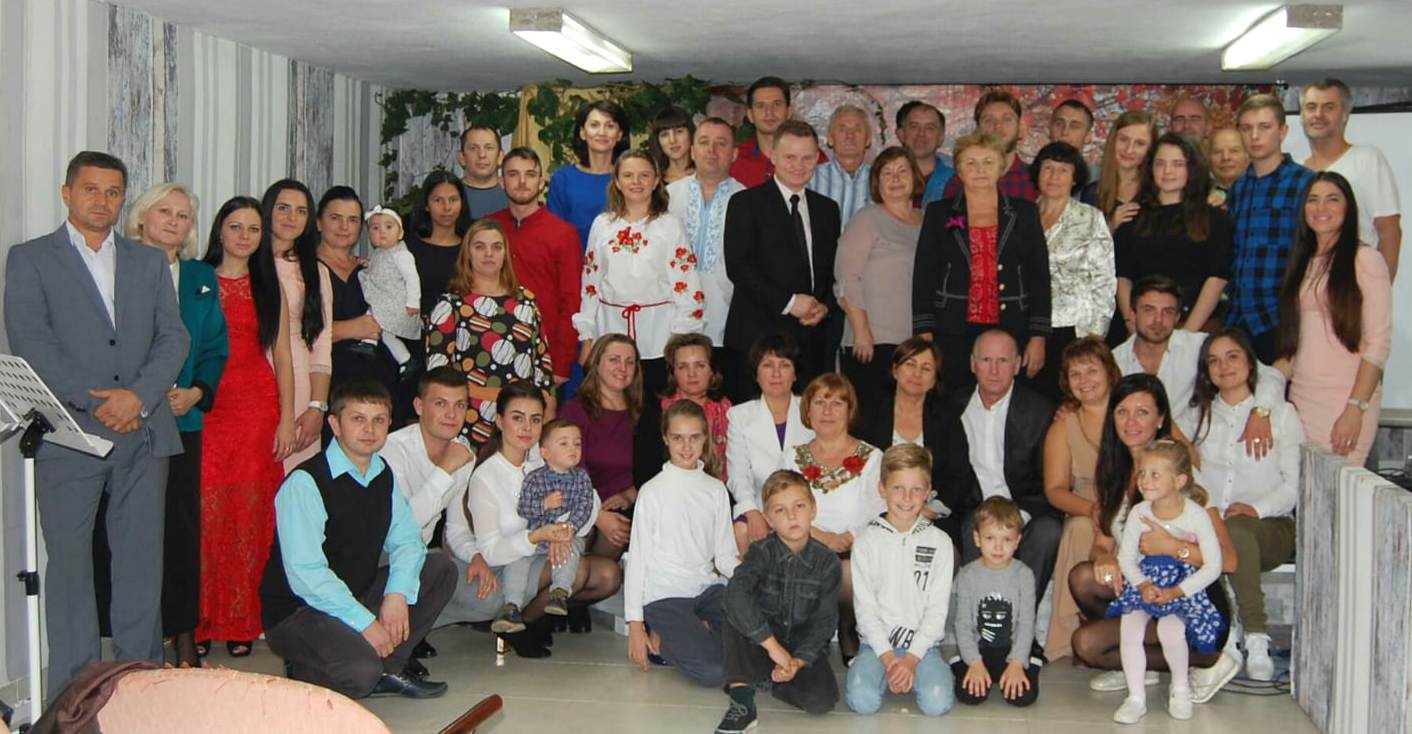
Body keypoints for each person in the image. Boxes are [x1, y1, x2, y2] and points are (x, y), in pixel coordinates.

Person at [260, 378, 455, 700]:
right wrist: (365, 623)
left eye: (379, 420)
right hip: (298, 611)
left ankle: (388, 668)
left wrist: (396, 594)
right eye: (358, 419)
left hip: (352, 594)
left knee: (439, 570)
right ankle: (308, 667)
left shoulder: (381, 473)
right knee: (359, 674)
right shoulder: (306, 483)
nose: (369, 429)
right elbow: (306, 574)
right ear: (335, 425)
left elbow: (407, 540)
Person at [1069, 375, 1240, 705]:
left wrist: (1172, 548)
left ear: (1161, 419)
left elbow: (1229, 559)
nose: (1131, 422)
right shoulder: (1114, 473)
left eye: (1143, 412)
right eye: (1122, 412)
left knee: (1088, 645)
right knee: (1083, 577)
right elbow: (1102, 542)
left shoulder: (1181, 477)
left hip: (1192, 600)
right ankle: (1141, 662)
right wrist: (1103, 557)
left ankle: (1209, 660)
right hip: (1147, 592)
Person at [125, 183, 228, 669]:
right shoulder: (119, 269)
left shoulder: (201, 276)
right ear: (142, 218)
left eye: (183, 215)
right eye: (164, 211)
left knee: (181, 531)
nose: (173, 221)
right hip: (128, 421)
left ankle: (183, 633)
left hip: (183, 421)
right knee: (131, 533)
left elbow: (214, 348)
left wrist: (197, 392)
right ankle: (135, 640)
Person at [198, 195, 297, 658]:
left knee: (250, 516)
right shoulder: (196, 280)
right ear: (220, 229)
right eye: (236, 226)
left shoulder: (267, 285)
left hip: (257, 410)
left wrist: (286, 417)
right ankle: (198, 622)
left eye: (253, 229)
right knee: (205, 514)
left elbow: (283, 357)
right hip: (206, 407)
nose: (244, 236)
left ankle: (243, 620)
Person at [454, 382, 620, 657]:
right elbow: (491, 552)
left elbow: (588, 501)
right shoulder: (486, 476)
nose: (527, 428)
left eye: (535, 419)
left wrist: (564, 531)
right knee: (577, 571)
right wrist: (537, 536)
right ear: (500, 421)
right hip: (504, 567)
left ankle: (533, 619)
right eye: (517, 418)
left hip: (542, 554)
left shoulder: (543, 459)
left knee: (608, 576)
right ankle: (512, 622)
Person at [1191, 329, 1303, 681]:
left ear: (1251, 363)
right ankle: (1222, 635)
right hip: (1214, 526)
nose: (1223, 366)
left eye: (1232, 356)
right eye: (1214, 360)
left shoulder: (1282, 414)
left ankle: (1255, 636)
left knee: (1236, 531)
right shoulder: (1197, 417)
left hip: (1271, 526)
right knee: (1218, 532)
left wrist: (1257, 509)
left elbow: (1294, 486)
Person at [913, 132, 1051, 393]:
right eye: (971, 163)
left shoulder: (1024, 213)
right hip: (952, 329)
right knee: (953, 400)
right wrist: (924, 332)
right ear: (958, 170)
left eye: (988, 162)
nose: (980, 170)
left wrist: (1038, 336)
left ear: (1001, 167)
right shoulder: (938, 213)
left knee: (1011, 400)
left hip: (1012, 326)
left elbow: (1039, 278)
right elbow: (924, 275)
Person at [936, 330, 1060, 612]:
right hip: (974, 508)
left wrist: (1019, 517)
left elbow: (1048, 481)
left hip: (1027, 508)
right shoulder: (951, 407)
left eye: (1003, 361)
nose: (994, 370)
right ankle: (981, 622)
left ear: (1017, 365)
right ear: (973, 364)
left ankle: (1021, 620)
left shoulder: (1041, 411)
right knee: (974, 529)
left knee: (1048, 533)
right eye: (986, 360)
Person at [1275, 171, 1391, 466]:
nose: (1321, 208)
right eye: (1312, 200)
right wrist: (1262, 389)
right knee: (1304, 487)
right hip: (1301, 400)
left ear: (1348, 207)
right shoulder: (1301, 262)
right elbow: (1295, 346)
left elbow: (1378, 345)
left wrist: (1355, 408)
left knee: (1338, 487)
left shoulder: (1365, 259)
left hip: (1346, 401)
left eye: (1332, 199)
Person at [713, 470, 842, 733]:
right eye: (780, 510)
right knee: (734, 602)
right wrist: (772, 647)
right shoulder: (761, 552)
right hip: (761, 641)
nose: (792, 516)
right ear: (769, 519)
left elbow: (824, 623)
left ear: (813, 509)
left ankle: (775, 679)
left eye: (799, 506)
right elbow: (736, 594)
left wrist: (798, 661)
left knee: (821, 701)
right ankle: (742, 700)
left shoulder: (828, 563)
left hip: (799, 646)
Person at [1107, 440, 1225, 724]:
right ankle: (1135, 697)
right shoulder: (1139, 513)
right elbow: (1126, 558)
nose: (1145, 480)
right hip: (1148, 581)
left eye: (1155, 474)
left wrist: (1177, 591)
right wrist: (1142, 585)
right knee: (1130, 627)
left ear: (1179, 480)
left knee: (1171, 630)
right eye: (1142, 473)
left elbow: (1214, 565)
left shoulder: (1196, 515)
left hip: (1184, 587)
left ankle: (1181, 690)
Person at [624, 400, 740, 687]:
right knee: (715, 673)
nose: (686, 447)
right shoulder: (652, 491)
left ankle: (694, 630)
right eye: (678, 438)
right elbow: (638, 559)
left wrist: (750, 579)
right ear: (666, 439)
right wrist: (635, 624)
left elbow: (725, 555)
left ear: (705, 438)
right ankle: (665, 639)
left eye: (694, 437)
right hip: (666, 595)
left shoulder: (716, 490)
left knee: (751, 649)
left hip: (707, 590)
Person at [379, 367, 500, 641]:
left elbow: (456, 528)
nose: (451, 414)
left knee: (490, 600)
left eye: (460, 405)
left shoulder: (461, 452)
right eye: (441, 404)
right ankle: (390, 632)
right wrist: (444, 470)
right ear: (419, 406)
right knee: (433, 566)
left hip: (420, 557)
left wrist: (474, 556)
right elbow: (401, 526)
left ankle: (409, 630)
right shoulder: (392, 449)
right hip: (383, 555)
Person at [723, 119, 841, 394]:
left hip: (811, 342)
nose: (799, 165)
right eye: (790, 157)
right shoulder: (745, 203)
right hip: (758, 338)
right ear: (773, 156)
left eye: (807, 158)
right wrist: (790, 302)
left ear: (817, 159)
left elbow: (832, 272)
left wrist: (824, 306)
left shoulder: (828, 209)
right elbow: (739, 267)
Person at [777, 373, 884, 662]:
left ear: (850, 411)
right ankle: (812, 636)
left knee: (847, 572)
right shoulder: (792, 457)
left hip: (855, 546)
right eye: (820, 402)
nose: (827, 411)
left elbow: (877, 510)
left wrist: (848, 538)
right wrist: (821, 536)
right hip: (804, 541)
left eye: (837, 403)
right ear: (807, 411)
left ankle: (847, 627)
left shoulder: (873, 457)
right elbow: (781, 505)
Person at [845, 444, 957, 717]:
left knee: (937, 703)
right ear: (882, 489)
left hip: (924, 648)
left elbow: (937, 610)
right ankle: (879, 670)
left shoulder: (940, 543)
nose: (907, 498)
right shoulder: (866, 542)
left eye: (916, 489)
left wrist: (910, 659)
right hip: (876, 646)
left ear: (928, 492)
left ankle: (922, 672)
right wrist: (887, 657)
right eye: (897, 488)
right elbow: (865, 609)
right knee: (862, 701)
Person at [425, 218, 554, 450]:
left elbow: (542, 361)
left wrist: (546, 407)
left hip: (521, 417)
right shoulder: (450, 304)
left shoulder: (526, 301)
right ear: (468, 253)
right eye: (479, 247)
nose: (488, 254)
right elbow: (437, 372)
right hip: (467, 416)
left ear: (505, 253)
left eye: (496, 247)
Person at [1115, 275, 1285, 442]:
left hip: (1193, 449)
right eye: (1149, 310)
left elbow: (1271, 375)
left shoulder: (1200, 346)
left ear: (1177, 317)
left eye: (1168, 312)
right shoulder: (1115, 361)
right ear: (1132, 314)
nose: (1158, 320)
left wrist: (1260, 411)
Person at [1041, 337, 1121, 660]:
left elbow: (1184, 455)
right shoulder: (1064, 426)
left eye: (1092, 370)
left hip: (1138, 503)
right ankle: (1078, 629)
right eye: (1075, 374)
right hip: (1088, 507)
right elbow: (1055, 489)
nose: (1084, 380)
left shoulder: (1133, 409)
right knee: (1079, 528)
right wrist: (1093, 509)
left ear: (1109, 372)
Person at [1227, 93, 1316, 364]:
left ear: (1282, 131)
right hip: (1239, 319)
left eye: (1264, 127)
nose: (1254, 136)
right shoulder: (1238, 187)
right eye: (1246, 128)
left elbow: (1317, 251)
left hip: (1283, 318)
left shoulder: (1305, 183)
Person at [835, 146, 925, 409]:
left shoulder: (927, 220)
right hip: (873, 341)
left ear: (915, 176)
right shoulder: (867, 219)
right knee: (871, 417)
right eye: (887, 173)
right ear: (877, 182)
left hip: (914, 343)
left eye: (902, 171)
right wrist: (862, 331)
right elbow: (846, 277)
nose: (895, 179)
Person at [1115, 132, 1233, 333]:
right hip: (1142, 329)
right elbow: (1123, 277)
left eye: (1178, 164)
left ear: (1192, 169)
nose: (1167, 171)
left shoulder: (1215, 218)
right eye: (1160, 164)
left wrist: (1187, 334)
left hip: (1197, 328)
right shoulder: (1132, 217)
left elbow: (1217, 278)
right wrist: (1132, 325)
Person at [485, 147, 582, 390]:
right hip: (489, 344)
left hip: (542, 351)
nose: (521, 182)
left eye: (529, 174)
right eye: (513, 174)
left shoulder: (563, 233)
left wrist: (561, 364)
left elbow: (571, 301)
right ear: (501, 182)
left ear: (541, 182)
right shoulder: (487, 229)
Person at [1031, 141, 1115, 400]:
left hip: (1074, 331)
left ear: (1075, 177)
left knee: (1069, 403)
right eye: (1048, 168)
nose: (1054, 176)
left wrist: (1094, 339)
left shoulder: (1090, 218)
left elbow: (1104, 281)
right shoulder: (1022, 216)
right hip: (1030, 328)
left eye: (1063, 170)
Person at [1300, 77, 1402, 277]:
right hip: (1308, 282)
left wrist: (1379, 286)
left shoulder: (1366, 159)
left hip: (1355, 280)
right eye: (1311, 107)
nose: (1318, 114)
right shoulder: (1297, 169)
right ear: (1302, 116)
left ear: (1345, 114)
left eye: (1329, 107)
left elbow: (1389, 231)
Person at [319, 187, 404, 429]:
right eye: (335, 218)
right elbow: (295, 334)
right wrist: (350, 329)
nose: (344, 227)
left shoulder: (370, 269)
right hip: (331, 389)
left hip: (380, 386)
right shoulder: (303, 270)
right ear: (318, 223)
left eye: (353, 220)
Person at [263, 179, 332, 471]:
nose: (291, 217)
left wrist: (317, 406)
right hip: (246, 381)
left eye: (301, 211)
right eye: (283, 208)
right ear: (267, 211)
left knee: (295, 477)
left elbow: (322, 344)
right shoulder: (245, 261)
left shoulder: (315, 271)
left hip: (299, 380)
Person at [725, 334, 814, 553]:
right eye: (767, 365)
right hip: (761, 504)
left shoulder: (813, 409)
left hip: (806, 504)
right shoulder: (739, 415)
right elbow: (738, 474)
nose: (776, 373)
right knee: (742, 530)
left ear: (795, 374)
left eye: (784, 365)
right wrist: (752, 511)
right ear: (756, 374)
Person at [503, 419, 596, 628]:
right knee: (517, 561)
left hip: (568, 535)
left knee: (570, 552)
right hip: (538, 535)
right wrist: (543, 504)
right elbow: (524, 508)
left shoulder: (581, 477)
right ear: (545, 453)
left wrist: (568, 528)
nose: (572, 449)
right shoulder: (534, 479)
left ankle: (559, 592)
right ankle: (511, 605)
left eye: (577, 443)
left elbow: (585, 506)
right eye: (564, 443)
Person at [950, 496, 1040, 708]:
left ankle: (1030, 663)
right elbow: (962, 624)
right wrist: (974, 663)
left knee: (1023, 697)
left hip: (1011, 648)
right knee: (969, 695)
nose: (998, 547)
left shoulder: (1024, 575)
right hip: (979, 650)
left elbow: (1026, 622)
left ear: (1017, 541)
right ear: (977, 538)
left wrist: (1017, 663)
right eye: (990, 538)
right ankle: (960, 662)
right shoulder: (967, 575)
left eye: (1007, 539)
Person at [666, 117, 745, 356]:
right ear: (692, 151)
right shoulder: (667, 197)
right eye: (704, 142)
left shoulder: (749, 202)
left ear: (734, 154)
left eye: (721, 143)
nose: (712, 150)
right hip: (671, 320)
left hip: (728, 321)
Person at [559, 335, 640, 558]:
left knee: (622, 528)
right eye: (614, 359)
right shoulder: (575, 410)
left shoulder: (643, 412)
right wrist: (597, 516)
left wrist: (630, 495)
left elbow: (653, 466)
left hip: (627, 505)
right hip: (580, 502)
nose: (622, 368)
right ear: (596, 363)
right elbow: (569, 472)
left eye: (630, 362)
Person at [642, 334, 732, 482]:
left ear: (712, 370)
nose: (692, 374)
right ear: (673, 373)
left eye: (700, 365)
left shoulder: (728, 410)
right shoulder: (657, 414)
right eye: (683, 367)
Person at [548, 99, 629, 249]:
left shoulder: (630, 179)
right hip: (573, 260)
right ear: (582, 133)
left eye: (610, 126)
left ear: (619, 135)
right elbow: (554, 234)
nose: (602, 132)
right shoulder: (562, 179)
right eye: (594, 125)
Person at [728, 76, 825, 188]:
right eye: (760, 106)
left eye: (777, 104)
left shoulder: (813, 158)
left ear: (789, 112)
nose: (769, 112)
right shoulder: (734, 159)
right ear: (750, 115)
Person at [942, 89, 1037, 201]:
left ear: (1019, 128)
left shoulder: (1036, 180)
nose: (997, 126)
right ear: (977, 129)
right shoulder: (958, 183)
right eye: (989, 120)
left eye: (1007, 119)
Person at [360, 206, 422, 374]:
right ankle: (405, 360)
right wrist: (367, 263)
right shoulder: (379, 253)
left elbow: (412, 279)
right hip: (384, 299)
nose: (382, 232)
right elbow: (377, 265)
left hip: (395, 304)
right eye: (375, 228)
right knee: (386, 334)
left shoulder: (402, 255)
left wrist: (413, 302)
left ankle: (369, 342)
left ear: (400, 233)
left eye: (389, 227)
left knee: (373, 316)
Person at [405, 171, 473, 315]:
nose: (447, 207)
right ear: (426, 205)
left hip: (461, 325)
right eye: (438, 200)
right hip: (415, 325)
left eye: (453, 200)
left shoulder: (472, 248)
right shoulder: (407, 249)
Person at [1085, 110, 1156, 235]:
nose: (1129, 150)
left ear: (1150, 149)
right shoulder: (1092, 194)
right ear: (1113, 140)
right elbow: (1083, 245)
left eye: (1139, 143)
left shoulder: (1157, 193)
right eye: (1124, 139)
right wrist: (1110, 227)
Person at [809, 104, 873, 228]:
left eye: (857, 130)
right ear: (830, 138)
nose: (850, 135)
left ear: (868, 139)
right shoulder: (810, 177)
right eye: (842, 129)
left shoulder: (881, 180)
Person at [897, 100, 955, 207]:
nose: (921, 134)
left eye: (930, 128)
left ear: (940, 138)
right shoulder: (885, 179)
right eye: (914, 126)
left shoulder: (955, 181)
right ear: (902, 135)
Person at [457, 124, 508, 217]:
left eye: (489, 148)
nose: (482, 155)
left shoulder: (515, 197)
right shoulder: (448, 197)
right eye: (473, 148)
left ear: (500, 157)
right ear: (462, 158)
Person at [1049, 99, 1099, 182]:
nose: (1065, 132)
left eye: (1074, 126)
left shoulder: (1100, 180)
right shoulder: (1030, 176)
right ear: (1050, 128)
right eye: (1059, 124)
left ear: (1088, 136)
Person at [648, 106, 695, 184]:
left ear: (691, 134)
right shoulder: (653, 182)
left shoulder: (707, 174)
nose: (672, 140)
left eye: (679, 131)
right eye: (665, 134)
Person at [1206, 127, 1249, 208]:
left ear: (1248, 155)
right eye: (1218, 152)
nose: (1225, 157)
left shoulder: (1261, 193)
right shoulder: (1198, 196)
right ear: (1209, 158)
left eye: (1234, 151)